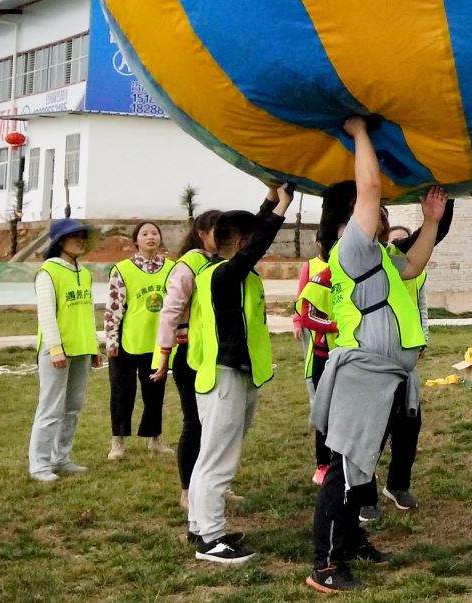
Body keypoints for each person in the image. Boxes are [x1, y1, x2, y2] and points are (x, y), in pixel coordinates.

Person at [308, 118, 447, 593]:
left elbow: (412, 266)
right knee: (345, 469)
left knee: (361, 468)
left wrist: (430, 221)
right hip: (363, 374)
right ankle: (325, 564)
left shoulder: (381, 257)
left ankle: (350, 540)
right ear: (350, 218)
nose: (381, 212)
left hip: (386, 376)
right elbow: (368, 186)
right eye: (373, 209)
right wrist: (359, 131)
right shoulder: (351, 248)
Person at [183, 186, 293, 564]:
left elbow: (252, 237)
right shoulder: (220, 275)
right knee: (218, 460)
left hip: (235, 374)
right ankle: (212, 540)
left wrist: (271, 198)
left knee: (211, 456)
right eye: (249, 241)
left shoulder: (229, 272)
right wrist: (282, 210)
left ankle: (199, 524)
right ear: (241, 243)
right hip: (224, 377)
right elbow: (255, 246)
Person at [361, 205, 450, 520]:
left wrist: (442, 205)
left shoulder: (397, 263)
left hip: (404, 361)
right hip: (369, 364)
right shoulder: (354, 260)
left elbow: (420, 300)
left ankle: (398, 484)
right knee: (371, 433)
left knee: (408, 425)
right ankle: (363, 496)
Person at [153, 209, 223, 510]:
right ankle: (187, 489)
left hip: (219, 355)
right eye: (219, 230)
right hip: (191, 356)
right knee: (195, 422)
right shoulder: (188, 266)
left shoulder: (223, 262)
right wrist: (164, 356)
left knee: (218, 425)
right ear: (202, 233)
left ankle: (215, 485)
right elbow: (169, 313)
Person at [28, 218, 103, 482]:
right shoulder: (48, 272)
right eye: (75, 236)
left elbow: (88, 312)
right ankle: (39, 464)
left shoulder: (83, 273)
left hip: (81, 349)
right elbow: (46, 314)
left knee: (73, 406)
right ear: (61, 241)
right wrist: (55, 348)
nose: (81, 241)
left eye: (83, 236)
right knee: (50, 407)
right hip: (56, 352)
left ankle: (62, 458)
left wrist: (93, 346)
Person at [104, 220, 174, 460]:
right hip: (127, 342)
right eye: (144, 233)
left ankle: (155, 439)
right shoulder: (122, 269)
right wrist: (111, 340)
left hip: (157, 343)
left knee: (155, 393)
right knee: (122, 393)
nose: (150, 237)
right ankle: (118, 441)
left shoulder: (171, 268)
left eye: (155, 232)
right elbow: (113, 308)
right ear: (136, 241)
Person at [293, 236, 338, 486]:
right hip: (324, 355)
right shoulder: (321, 275)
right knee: (325, 411)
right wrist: (335, 327)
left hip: (352, 357)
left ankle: (346, 463)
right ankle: (323, 464)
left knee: (348, 413)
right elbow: (307, 315)